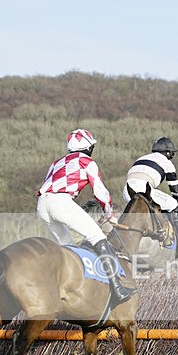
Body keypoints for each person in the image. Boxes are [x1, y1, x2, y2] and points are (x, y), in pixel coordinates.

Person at [37, 128, 136, 302]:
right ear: (89, 148)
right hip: (61, 202)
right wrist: (110, 214)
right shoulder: (87, 162)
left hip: (41, 205)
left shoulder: (56, 163)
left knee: (67, 246)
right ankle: (118, 287)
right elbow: (100, 191)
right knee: (97, 236)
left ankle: (63, 287)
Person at [123, 137, 178, 255]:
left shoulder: (142, 158)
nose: (172, 156)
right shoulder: (167, 163)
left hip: (127, 190)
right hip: (144, 189)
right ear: (168, 152)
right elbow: (175, 191)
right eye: (172, 154)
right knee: (173, 204)